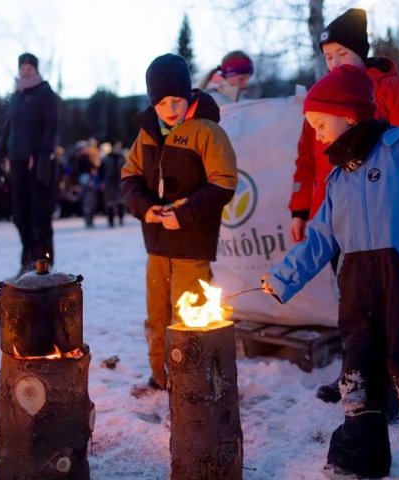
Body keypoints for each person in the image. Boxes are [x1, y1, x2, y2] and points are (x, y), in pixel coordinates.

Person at [262, 64, 399, 480]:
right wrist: (282, 278)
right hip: (356, 289)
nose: (316, 134)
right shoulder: (337, 179)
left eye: (319, 123)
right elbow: (318, 237)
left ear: (348, 115)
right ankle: (360, 454)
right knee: (358, 370)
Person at [288, 8, 399, 403]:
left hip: (382, 220)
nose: (334, 63)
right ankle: (357, 372)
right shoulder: (321, 101)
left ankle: (390, 380)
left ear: (361, 53)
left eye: (342, 55)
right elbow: (305, 159)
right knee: (350, 300)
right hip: (332, 216)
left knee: (387, 303)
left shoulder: (388, 90)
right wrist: (301, 209)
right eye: (328, 56)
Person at [121, 54, 237, 390]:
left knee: (187, 317)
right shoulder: (146, 135)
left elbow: (224, 182)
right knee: (156, 317)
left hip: (191, 243)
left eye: (177, 100)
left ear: (189, 96)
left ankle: (190, 383)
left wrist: (184, 214)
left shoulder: (207, 131)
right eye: (162, 102)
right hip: (157, 244)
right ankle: (161, 377)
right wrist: (145, 208)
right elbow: (129, 179)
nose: (171, 108)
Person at [0, 52, 59, 273]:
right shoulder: (16, 97)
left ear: (36, 69)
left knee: (39, 213)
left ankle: (42, 260)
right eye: (22, 67)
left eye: (29, 67)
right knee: (20, 214)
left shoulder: (45, 93)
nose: (25, 70)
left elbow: (51, 126)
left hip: (36, 163)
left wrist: (43, 155)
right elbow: (7, 129)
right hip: (17, 162)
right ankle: (28, 255)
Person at [100, 140, 126, 227]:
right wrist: (102, 181)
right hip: (109, 182)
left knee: (120, 201)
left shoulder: (122, 158)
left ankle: (121, 219)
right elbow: (101, 171)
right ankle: (111, 221)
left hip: (120, 181)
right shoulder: (106, 159)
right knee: (110, 202)